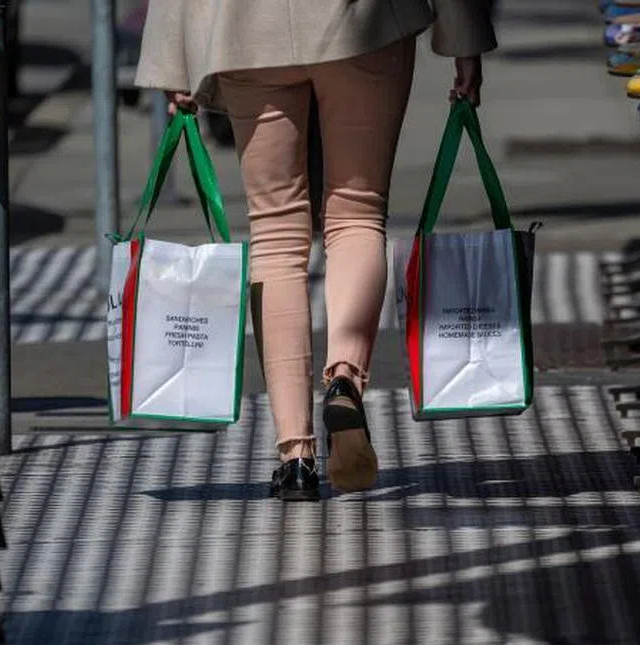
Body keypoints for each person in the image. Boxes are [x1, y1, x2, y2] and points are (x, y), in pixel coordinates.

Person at [135, 0, 497, 500]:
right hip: (363, 25)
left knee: (275, 231)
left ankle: (295, 455)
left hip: (245, 30)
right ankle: (345, 377)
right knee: (358, 213)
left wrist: (173, 56)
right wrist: (464, 36)